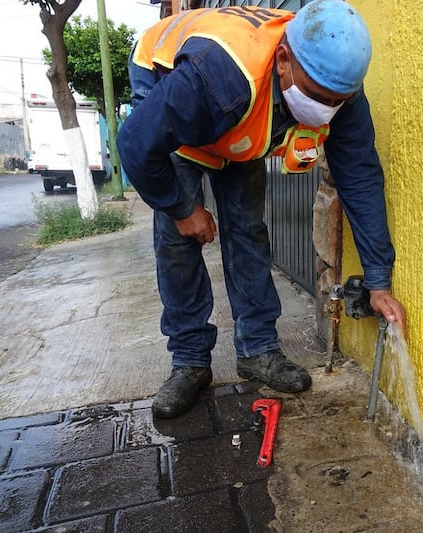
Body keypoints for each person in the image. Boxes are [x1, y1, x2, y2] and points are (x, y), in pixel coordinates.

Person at [117, 0, 406, 419]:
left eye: (337, 102)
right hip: (163, 70)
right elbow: (136, 147)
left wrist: (379, 279)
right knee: (177, 242)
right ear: (284, 60)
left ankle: (257, 349)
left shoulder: (339, 89)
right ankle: (190, 360)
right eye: (318, 97)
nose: (327, 111)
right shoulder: (217, 77)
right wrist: (182, 209)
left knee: (248, 227)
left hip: (241, 106)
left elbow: (360, 178)